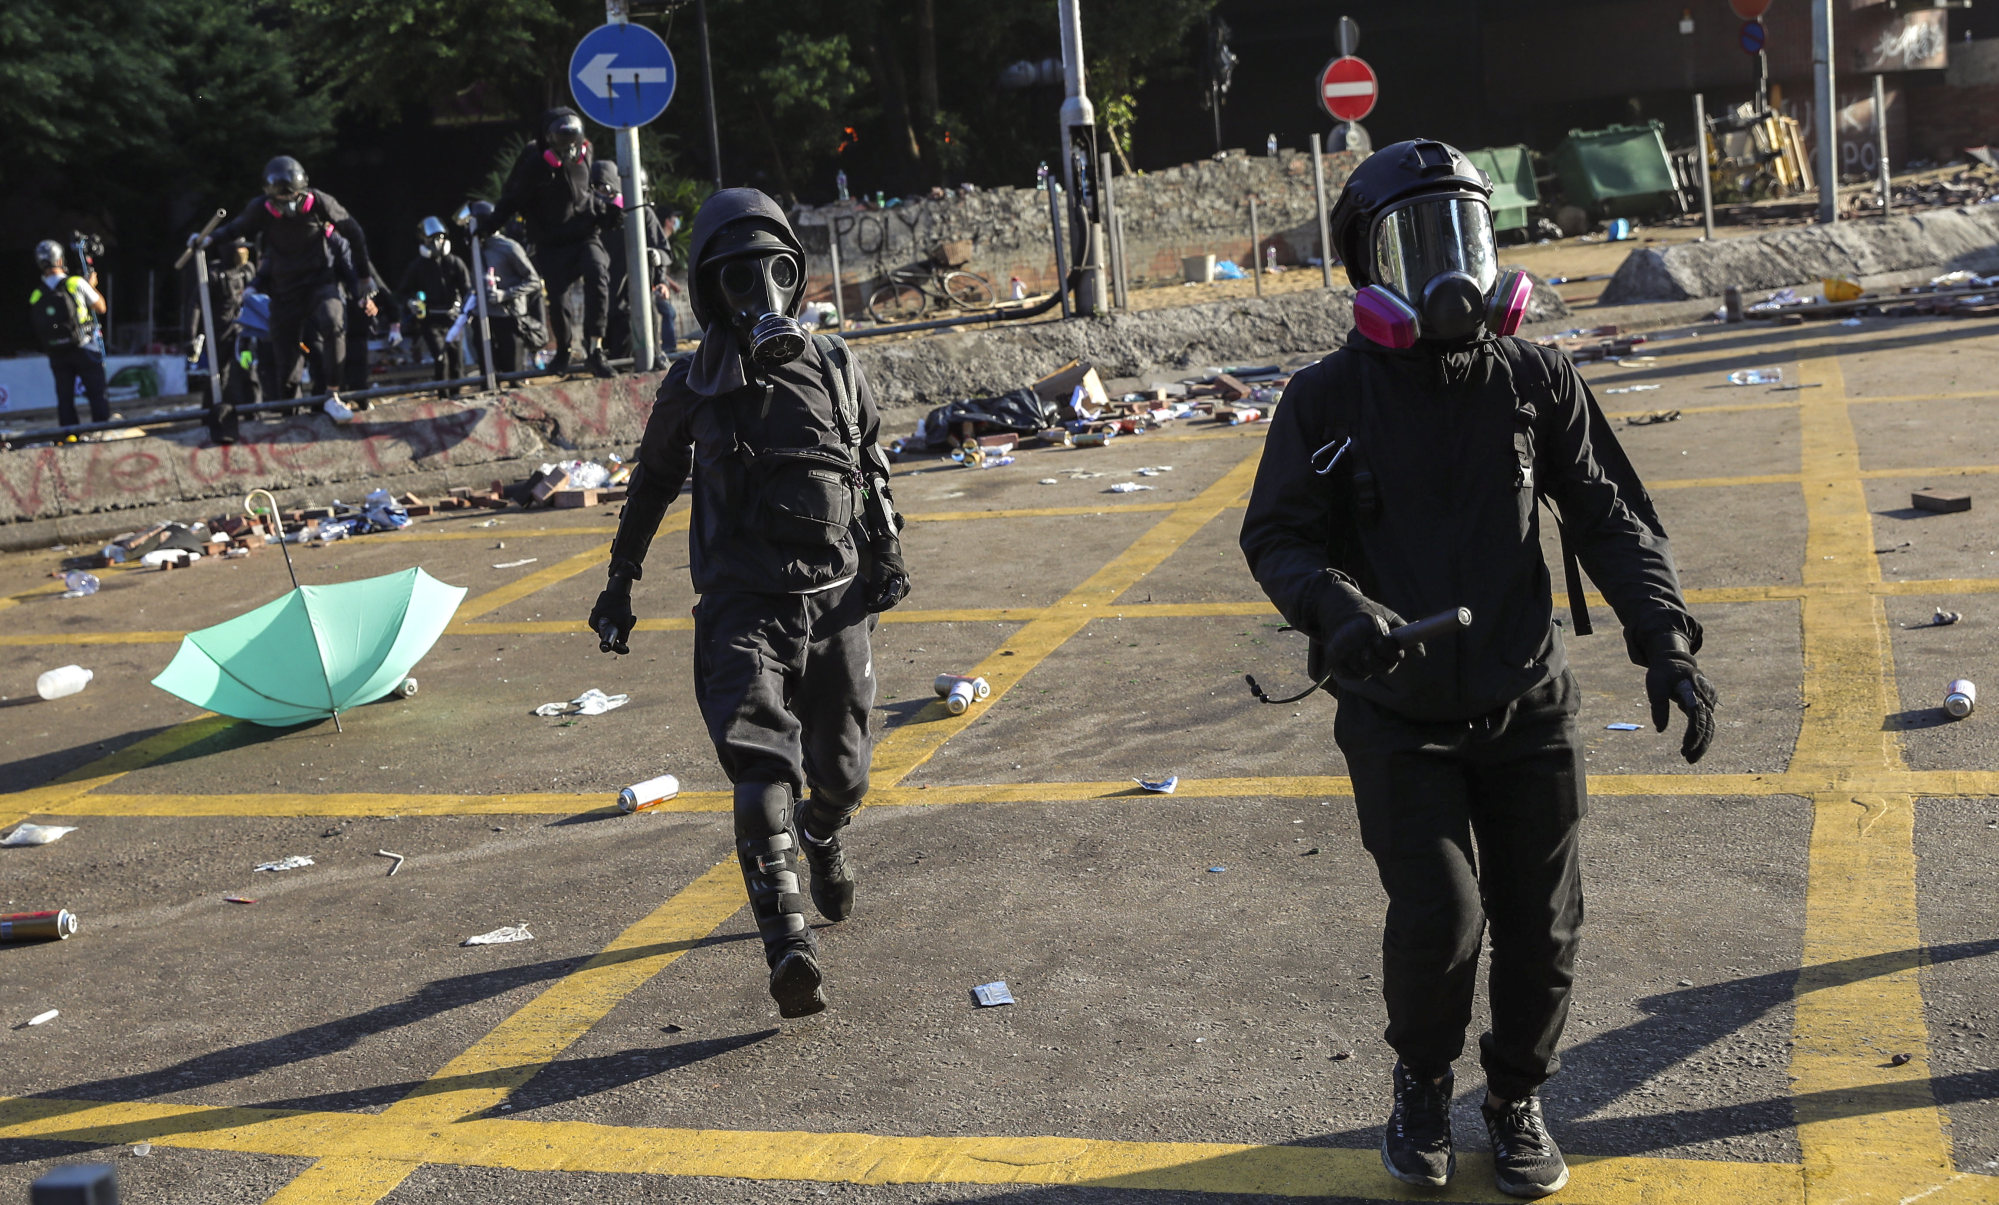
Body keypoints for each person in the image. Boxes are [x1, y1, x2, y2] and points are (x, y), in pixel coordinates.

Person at [1239, 139, 1717, 1200]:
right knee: (1441, 920)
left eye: (1463, 234)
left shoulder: (1535, 378)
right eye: (1417, 243)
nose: (1449, 268)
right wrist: (1334, 604)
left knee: (1544, 922)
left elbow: (1608, 514)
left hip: (1523, 695)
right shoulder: (1325, 401)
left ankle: (1512, 1096)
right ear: (1368, 268)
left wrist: (1665, 640)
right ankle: (1420, 1083)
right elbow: (1277, 535)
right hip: (1396, 708)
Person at [587, 189, 912, 1019]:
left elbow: (866, 458)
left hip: (834, 599)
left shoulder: (835, 362)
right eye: (738, 278)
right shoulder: (693, 388)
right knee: (761, 762)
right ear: (710, 290)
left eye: (774, 273)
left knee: (842, 774)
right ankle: (787, 944)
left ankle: (825, 830)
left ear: (796, 278)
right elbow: (652, 483)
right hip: (740, 607)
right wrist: (620, 579)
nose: (760, 294)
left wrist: (888, 550)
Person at [198, 156, 375, 403]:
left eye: (293, 199)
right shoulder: (260, 209)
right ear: (271, 199)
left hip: (319, 282)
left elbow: (354, 233)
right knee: (285, 355)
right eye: (282, 201)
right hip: (286, 291)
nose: (289, 207)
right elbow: (236, 227)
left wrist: (364, 277)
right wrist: (208, 239)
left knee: (333, 321)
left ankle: (333, 393)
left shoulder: (320, 202)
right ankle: (290, 406)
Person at [491, 108, 614, 377]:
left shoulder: (587, 153)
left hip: (585, 235)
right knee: (559, 302)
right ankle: (564, 351)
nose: (570, 152)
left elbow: (590, 189)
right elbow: (511, 198)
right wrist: (489, 225)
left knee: (598, 273)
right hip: (551, 242)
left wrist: (607, 207)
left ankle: (595, 348)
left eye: (575, 146)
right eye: (563, 146)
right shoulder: (533, 163)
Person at [591, 160, 672, 370]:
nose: (601, 195)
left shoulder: (640, 213)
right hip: (603, 304)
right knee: (612, 365)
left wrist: (658, 266)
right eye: (596, 189)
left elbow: (663, 250)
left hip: (637, 303)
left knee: (642, 362)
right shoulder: (593, 217)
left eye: (605, 189)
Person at [182, 237, 260, 443]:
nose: (243, 252)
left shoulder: (248, 270)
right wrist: (190, 337)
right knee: (218, 378)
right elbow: (195, 305)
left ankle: (254, 415)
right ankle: (210, 420)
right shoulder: (214, 274)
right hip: (220, 334)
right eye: (240, 248)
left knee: (248, 371)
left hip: (244, 332)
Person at [27, 240, 110, 431]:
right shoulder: (75, 283)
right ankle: (101, 431)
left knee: (64, 397)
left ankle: (69, 435)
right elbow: (101, 307)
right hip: (84, 345)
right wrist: (93, 286)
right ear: (59, 259)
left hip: (56, 351)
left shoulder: (37, 294)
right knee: (97, 392)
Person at [464, 200, 543, 374]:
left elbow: (533, 281)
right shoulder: (477, 248)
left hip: (509, 318)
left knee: (513, 372)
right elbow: (475, 284)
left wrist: (505, 294)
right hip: (484, 318)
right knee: (488, 372)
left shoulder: (508, 248)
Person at [396, 217, 473, 391]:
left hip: (453, 319)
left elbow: (467, 289)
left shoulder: (455, 263)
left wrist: (464, 309)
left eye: (441, 238)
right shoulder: (417, 266)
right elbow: (403, 291)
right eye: (433, 239)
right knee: (441, 358)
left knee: (456, 360)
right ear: (424, 241)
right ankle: (442, 395)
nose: (438, 243)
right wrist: (411, 302)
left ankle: (457, 394)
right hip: (430, 320)